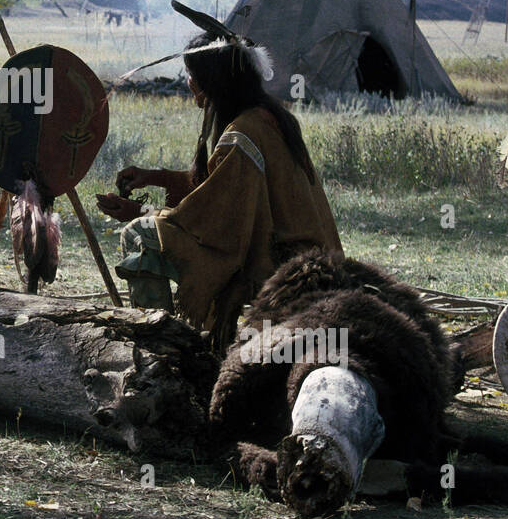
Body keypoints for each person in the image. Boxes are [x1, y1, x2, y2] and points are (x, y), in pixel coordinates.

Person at [96, 28, 342, 354]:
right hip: (314, 257)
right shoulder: (271, 117)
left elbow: (216, 221)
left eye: (191, 74)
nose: (187, 82)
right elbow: (224, 190)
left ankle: (162, 350)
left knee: (139, 234)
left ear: (212, 81)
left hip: (277, 264)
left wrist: (139, 213)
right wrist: (156, 177)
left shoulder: (242, 134)